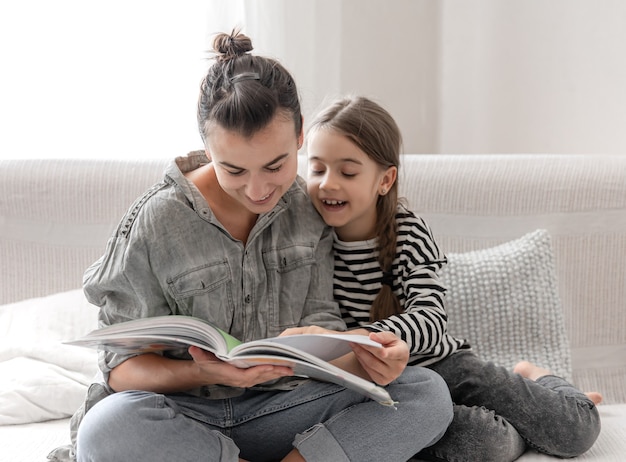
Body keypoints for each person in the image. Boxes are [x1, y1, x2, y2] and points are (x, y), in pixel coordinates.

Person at [67, 31, 453, 462]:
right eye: (233, 170)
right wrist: (201, 371)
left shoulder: (308, 209)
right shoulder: (156, 222)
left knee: (424, 392)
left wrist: (372, 359)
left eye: (276, 165)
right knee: (106, 426)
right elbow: (121, 372)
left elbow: (321, 336)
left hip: (286, 410)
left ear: (301, 136)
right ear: (207, 147)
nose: (258, 190)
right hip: (190, 416)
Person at [295, 94, 602, 461]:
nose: (328, 184)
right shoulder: (310, 239)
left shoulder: (408, 232)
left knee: (576, 429)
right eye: (316, 169)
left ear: (385, 179)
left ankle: (534, 376)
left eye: (347, 172)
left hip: (444, 366)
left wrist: (368, 338)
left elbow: (431, 318)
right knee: (485, 442)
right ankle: (518, 427)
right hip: (389, 389)